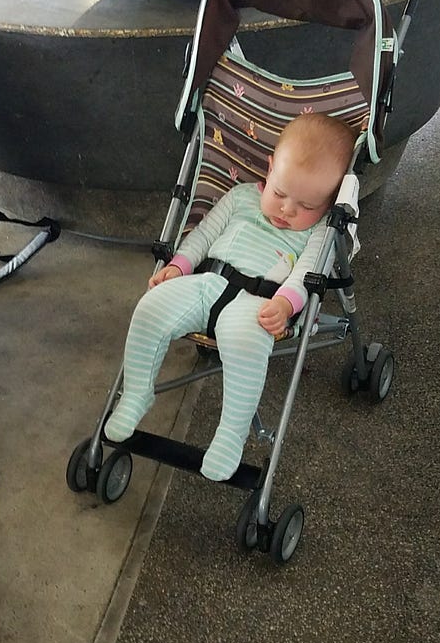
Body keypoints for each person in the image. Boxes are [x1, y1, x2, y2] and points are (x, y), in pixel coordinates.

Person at [104, 112, 356, 481]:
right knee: (150, 309)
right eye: (280, 193)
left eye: (307, 206)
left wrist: (285, 305)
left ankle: (230, 436)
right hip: (206, 282)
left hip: (259, 303)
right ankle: (137, 394)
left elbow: (306, 274)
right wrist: (178, 267)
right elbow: (203, 235)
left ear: (330, 202)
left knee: (246, 341)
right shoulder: (240, 198)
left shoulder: (319, 232)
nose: (287, 210)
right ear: (269, 170)